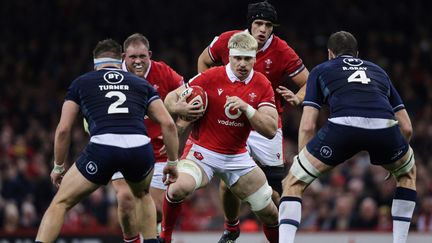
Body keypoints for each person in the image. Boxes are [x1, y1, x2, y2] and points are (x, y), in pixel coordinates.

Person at [34, 39, 179, 243]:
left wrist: (58, 166)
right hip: (139, 147)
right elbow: (169, 124)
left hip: (103, 147)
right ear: (120, 59)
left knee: (60, 203)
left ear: (95, 64)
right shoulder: (141, 84)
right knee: (142, 196)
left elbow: (63, 130)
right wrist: (172, 163)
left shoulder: (82, 82)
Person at [278, 31, 416, 243]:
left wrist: (302, 160)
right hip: (384, 127)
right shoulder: (379, 71)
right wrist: (397, 161)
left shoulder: (322, 69)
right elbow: (406, 127)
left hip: (343, 126)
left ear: (330, 54)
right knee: (408, 176)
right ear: (357, 54)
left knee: (293, 183)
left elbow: (307, 125)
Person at [197, 1, 309, 241]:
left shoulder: (282, 50)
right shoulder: (229, 40)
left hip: (265, 124)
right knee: (229, 182)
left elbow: (307, 82)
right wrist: (206, 97)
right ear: (249, 24)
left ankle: (278, 236)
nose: (263, 29)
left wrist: (298, 98)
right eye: (258, 23)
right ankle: (231, 227)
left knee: (274, 194)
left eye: (268, 25)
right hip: (231, 120)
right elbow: (204, 61)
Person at [160, 31, 279, 243]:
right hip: (202, 151)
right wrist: (178, 106)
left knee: (269, 212)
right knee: (177, 189)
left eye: (247, 59)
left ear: (254, 58)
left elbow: (270, 130)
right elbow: (170, 97)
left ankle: (235, 229)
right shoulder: (210, 76)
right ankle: (165, 237)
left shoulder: (262, 84)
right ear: (230, 57)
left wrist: (247, 109)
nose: (242, 64)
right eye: (237, 58)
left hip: (237, 157)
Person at [109, 33, 184, 238]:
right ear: (124, 56)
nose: (138, 61)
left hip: (157, 154)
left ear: (149, 55)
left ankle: (154, 235)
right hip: (121, 149)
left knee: (157, 210)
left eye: (142, 56)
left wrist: (179, 126)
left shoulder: (163, 72)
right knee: (125, 199)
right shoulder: (112, 75)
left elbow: (191, 95)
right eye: (133, 57)